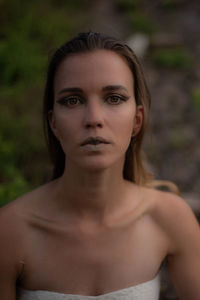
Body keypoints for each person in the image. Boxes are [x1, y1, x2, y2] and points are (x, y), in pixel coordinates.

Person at [0, 32, 200, 300]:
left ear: (137, 120)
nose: (94, 118)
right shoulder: (10, 231)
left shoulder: (170, 218)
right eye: (72, 100)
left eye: (114, 98)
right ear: (53, 122)